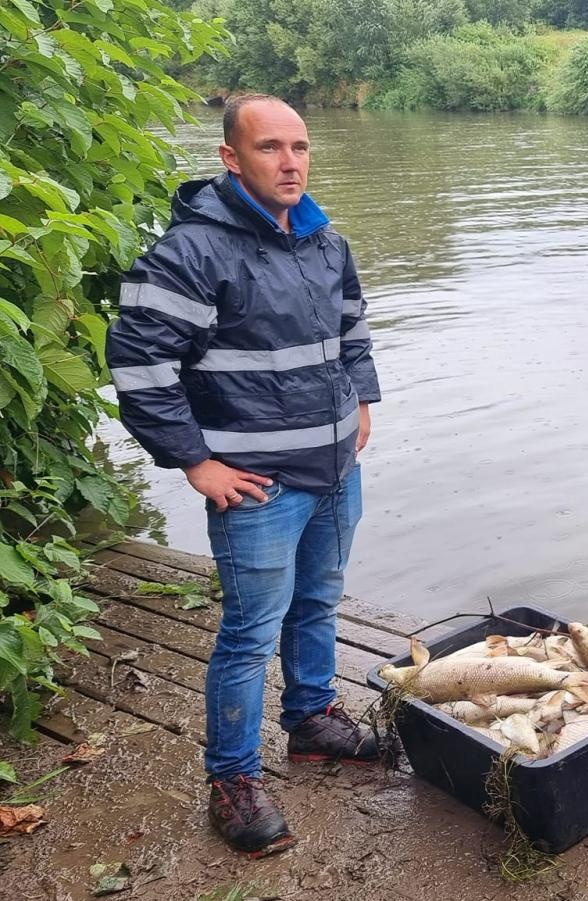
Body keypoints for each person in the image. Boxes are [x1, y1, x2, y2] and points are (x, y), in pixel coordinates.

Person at [106, 93, 381, 857]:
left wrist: (362, 400)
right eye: (270, 148)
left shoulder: (327, 242)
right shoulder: (190, 254)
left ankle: (313, 720)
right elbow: (137, 364)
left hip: (333, 470)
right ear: (231, 158)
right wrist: (195, 460)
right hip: (257, 485)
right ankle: (230, 778)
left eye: (299, 146)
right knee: (249, 631)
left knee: (320, 600)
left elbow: (352, 330)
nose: (290, 162)